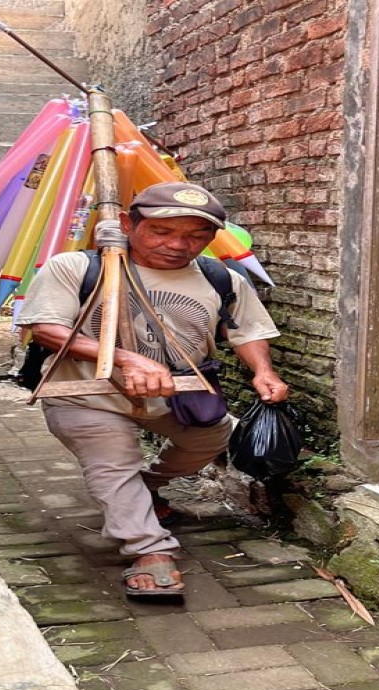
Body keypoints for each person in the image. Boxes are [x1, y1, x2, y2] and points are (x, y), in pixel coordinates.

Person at [17, 182, 288, 598]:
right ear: (128, 223)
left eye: (196, 235)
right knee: (113, 460)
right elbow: (46, 329)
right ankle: (148, 549)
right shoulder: (76, 267)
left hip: (178, 394)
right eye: (163, 232)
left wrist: (263, 372)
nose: (180, 245)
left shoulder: (222, 278)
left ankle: (146, 486)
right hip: (87, 394)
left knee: (214, 436)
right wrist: (126, 358)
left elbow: (248, 331)